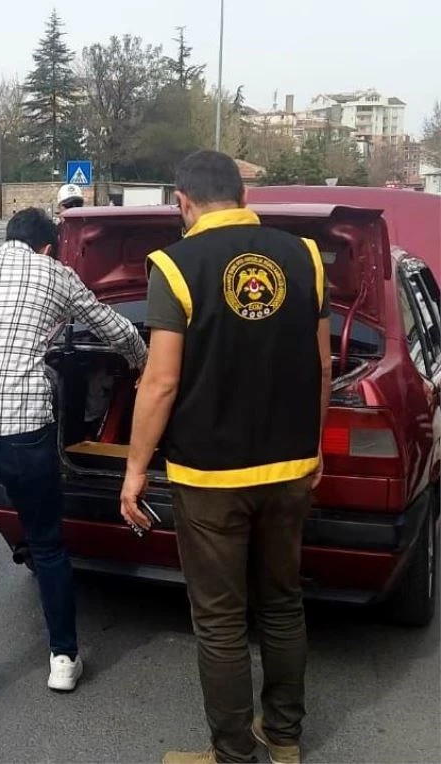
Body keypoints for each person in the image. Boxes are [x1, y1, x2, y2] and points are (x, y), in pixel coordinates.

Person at [120, 150, 332, 764]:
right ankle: (285, 738)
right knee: (284, 602)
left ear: (182, 202)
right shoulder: (305, 256)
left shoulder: (175, 264)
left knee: (219, 620)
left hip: (210, 476)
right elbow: (321, 364)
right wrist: (313, 446)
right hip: (291, 467)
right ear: (241, 195)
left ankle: (234, 755)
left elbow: (159, 383)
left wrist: (135, 472)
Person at [0, 207, 148, 710]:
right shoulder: (57, 274)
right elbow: (116, 330)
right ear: (47, 247)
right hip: (26, 436)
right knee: (48, 547)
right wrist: (145, 367)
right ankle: (63, 659)